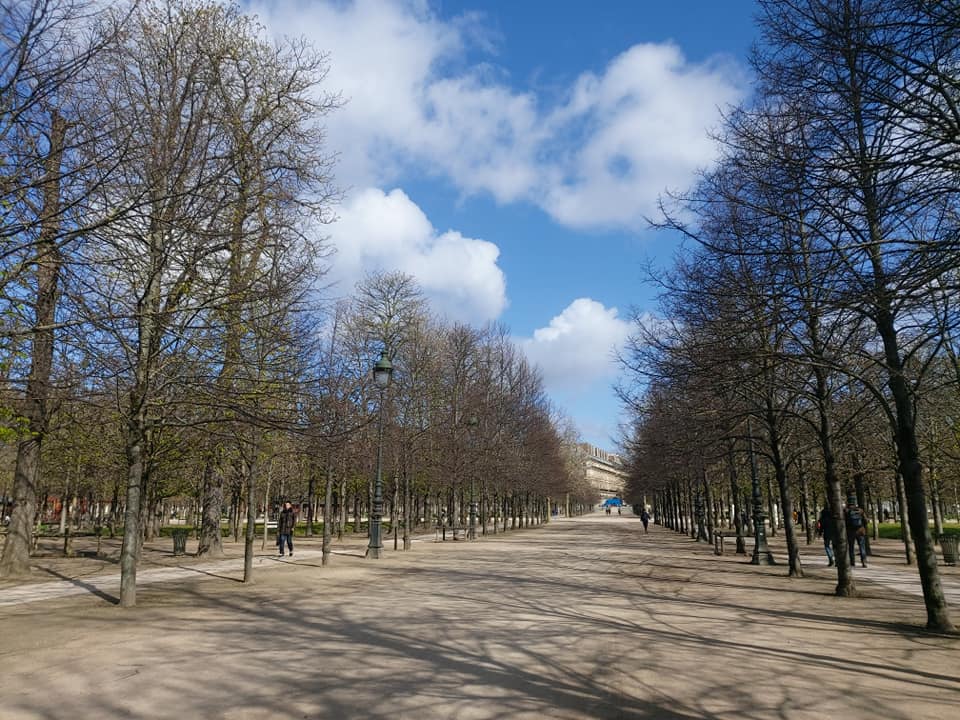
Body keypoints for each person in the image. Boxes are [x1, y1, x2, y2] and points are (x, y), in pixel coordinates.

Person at [844, 495, 868, 568]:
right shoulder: (860, 510)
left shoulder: (846, 510)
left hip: (850, 532)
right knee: (862, 547)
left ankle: (852, 562)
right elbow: (866, 521)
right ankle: (864, 562)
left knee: (851, 547)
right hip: (860, 531)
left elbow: (843, 521)